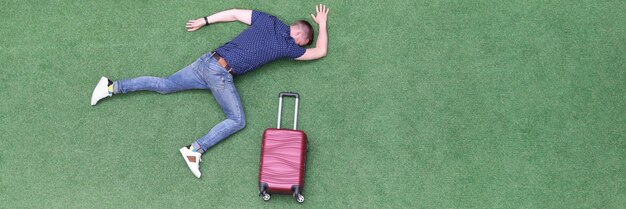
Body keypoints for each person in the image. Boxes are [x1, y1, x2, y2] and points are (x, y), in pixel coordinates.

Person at [90, 4, 329, 178]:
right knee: (237, 120)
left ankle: (111, 86)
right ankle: (194, 150)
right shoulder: (287, 46)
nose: (301, 47)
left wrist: (205, 20)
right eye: (303, 43)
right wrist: (323, 24)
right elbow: (320, 52)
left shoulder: (268, 20)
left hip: (207, 61)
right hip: (220, 75)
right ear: (299, 36)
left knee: (164, 85)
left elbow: (235, 12)